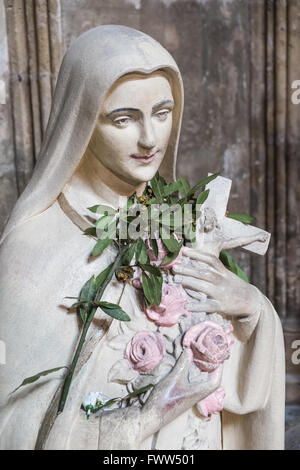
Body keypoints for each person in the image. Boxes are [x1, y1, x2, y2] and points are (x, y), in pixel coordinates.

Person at [0, 25, 285, 450]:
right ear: (81, 121)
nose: (150, 139)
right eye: (124, 119)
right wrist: (143, 419)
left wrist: (251, 312)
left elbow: (229, 377)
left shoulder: (180, 219)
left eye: (163, 113)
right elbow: (12, 424)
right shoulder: (34, 245)